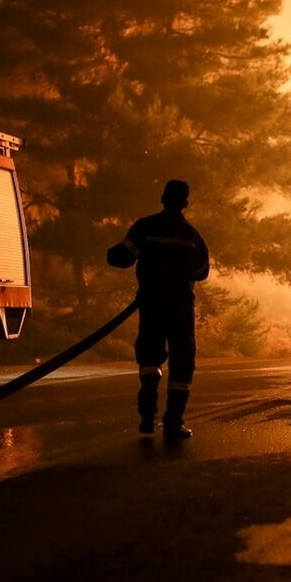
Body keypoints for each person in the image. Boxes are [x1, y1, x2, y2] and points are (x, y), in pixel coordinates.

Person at [107, 179, 210, 438]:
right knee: (182, 361)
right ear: (186, 202)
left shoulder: (145, 227)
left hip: (151, 303)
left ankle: (147, 415)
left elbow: (121, 257)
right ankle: (174, 422)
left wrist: (111, 252)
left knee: (150, 357)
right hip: (181, 306)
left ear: (163, 198)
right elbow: (202, 272)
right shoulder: (192, 235)